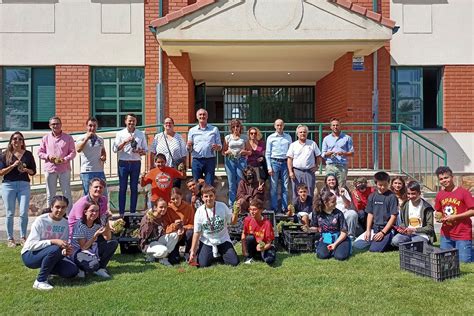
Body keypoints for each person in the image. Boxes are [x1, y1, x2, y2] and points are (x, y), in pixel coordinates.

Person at [21, 196, 78, 290]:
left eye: (63, 207)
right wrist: (52, 241)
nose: (60, 210)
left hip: (52, 253)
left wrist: (65, 251)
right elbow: (31, 245)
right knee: (54, 248)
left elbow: (62, 246)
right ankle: (40, 281)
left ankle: (48, 270)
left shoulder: (65, 223)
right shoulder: (41, 220)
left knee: (72, 271)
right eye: (57, 207)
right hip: (30, 255)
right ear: (51, 207)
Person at [189, 185, 239, 268]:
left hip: (223, 239)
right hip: (207, 241)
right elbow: (196, 233)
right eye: (206, 196)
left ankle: (219, 253)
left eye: (211, 196)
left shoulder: (222, 206)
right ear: (202, 198)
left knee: (234, 263)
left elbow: (232, 222)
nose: (209, 198)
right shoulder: (199, 211)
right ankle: (212, 253)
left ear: (215, 196)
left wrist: (236, 213)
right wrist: (192, 252)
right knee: (203, 265)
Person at [0, 131, 36, 247]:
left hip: (24, 185)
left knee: (23, 213)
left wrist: (26, 170)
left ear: (23, 141)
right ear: (11, 141)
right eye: (15, 139)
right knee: (10, 213)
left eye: (20, 139)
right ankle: (10, 239)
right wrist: (12, 166)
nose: (17, 141)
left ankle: (23, 237)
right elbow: (1, 172)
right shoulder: (5, 154)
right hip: (8, 185)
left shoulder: (28, 154)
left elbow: (33, 171)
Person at [434, 166, 474, 263]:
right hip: (446, 234)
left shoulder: (464, 193)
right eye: (441, 179)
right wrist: (438, 216)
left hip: (462, 234)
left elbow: (472, 210)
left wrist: (455, 217)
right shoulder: (440, 194)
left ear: (452, 177)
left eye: (446, 177)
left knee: (464, 262)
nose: (444, 180)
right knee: (445, 263)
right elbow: (438, 210)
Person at [37, 116, 76, 213]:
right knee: (50, 194)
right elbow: (40, 152)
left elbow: (73, 152)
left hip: (64, 169)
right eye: (53, 124)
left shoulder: (68, 137)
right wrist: (48, 157)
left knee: (67, 193)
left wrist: (65, 159)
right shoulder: (45, 138)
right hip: (50, 169)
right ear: (50, 126)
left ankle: (69, 215)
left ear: (61, 125)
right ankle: (49, 214)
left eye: (57, 123)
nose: (56, 125)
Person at [353, 171, 398, 252]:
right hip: (375, 228)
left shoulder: (392, 197)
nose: (383, 187)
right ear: (376, 184)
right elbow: (370, 214)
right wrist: (368, 230)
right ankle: (379, 241)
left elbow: (393, 216)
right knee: (356, 245)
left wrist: (383, 233)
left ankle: (390, 240)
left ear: (388, 183)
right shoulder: (372, 196)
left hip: (386, 230)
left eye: (385, 185)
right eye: (380, 185)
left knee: (374, 249)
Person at [113, 113, 147, 216]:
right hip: (123, 163)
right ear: (125, 122)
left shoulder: (140, 134)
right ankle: (121, 213)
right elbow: (115, 149)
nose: (131, 123)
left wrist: (140, 151)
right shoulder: (120, 133)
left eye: (133, 121)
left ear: (136, 122)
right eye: (129, 121)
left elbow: (145, 150)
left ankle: (132, 212)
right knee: (122, 188)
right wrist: (125, 142)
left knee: (134, 188)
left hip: (136, 163)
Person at [71, 203, 118, 278]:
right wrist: (95, 235)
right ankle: (80, 268)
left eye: (97, 211)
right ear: (85, 212)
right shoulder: (80, 225)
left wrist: (107, 221)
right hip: (78, 251)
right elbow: (83, 247)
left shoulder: (97, 223)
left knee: (113, 243)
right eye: (92, 211)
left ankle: (100, 268)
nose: (95, 213)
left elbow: (107, 238)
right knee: (93, 265)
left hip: (91, 248)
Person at [391, 181, 436, 247]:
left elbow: (430, 227)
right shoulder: (405, 205)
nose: (410, 196)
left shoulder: (427, 207)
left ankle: (414, 245)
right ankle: (412, 246)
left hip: (422, 234)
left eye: (413, 194)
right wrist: (402, 228)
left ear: (419, 193)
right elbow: (403, 222)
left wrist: (414, 229)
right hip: (407, 234)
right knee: (395, 240)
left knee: (416, 243)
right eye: (408, 194)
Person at [139, 198, 182, 266]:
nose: (163, 209)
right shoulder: (148, 218)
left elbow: (166, 230)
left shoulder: (162, 217)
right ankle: (151, 255)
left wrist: (178, 228)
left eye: (165, 207)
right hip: (148, 243)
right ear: (155, 207)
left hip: (158, 240)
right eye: (161, 207)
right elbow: (143, 236)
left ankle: (163, 258)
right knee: (164, 250)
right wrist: (149, 224)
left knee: (175, 235)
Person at [311, 190, 351, 261]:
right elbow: (315, 228)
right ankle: (329, 249)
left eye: (335, 201)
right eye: (333, 202)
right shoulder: (317, 212)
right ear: (325, 203)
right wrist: (308, 229)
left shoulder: (339, 213)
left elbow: (344, 232)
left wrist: (335, 244)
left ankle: (345, 247)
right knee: (322, 255)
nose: (335, 204)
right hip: (326, 239)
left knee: (340, 257)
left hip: (340, 239)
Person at [187, 108, 222, 185]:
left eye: (204, 114)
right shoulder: (192, 130)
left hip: (210, 160)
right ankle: (198, 197)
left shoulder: (214, 129)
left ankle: (208, 197)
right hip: (196, 160)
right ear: (197, 117)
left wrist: (217, 147)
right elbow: (189, 149)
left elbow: (220, 147)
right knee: (196, 183)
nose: (202, 116)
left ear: (207, 116)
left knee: (209, 184)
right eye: (200, 114)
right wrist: (189, 146)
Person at [150, 116, 187, 188]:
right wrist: (151, 166)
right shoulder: (158, 137)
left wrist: (183, 168)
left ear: (173, 124)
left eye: (170, 123)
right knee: (162, 189)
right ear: (163, 125)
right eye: (166, 123)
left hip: (174, 169)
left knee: (174, 191)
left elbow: (184, 154)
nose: (168, 124)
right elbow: (152, 152)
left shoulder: (179, 137)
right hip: (161, 169)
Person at [287, 124, 321, 202]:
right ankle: (296, 210)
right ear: (297, 134)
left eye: (304, 132)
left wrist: (317, 167)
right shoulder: (293, 145)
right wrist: (290, 172)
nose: (303, 133)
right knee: (296, 192)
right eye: (301, 132)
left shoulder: (312, 143)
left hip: (309, 172)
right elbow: (289, 159)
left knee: (309, 191)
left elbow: (318, 156)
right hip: (296, 172)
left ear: (307, 133)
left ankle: (309, 211)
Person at [265, 119, 292, 213]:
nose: (279, 127)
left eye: (281, 125)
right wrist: (269, 167)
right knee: (274, 187)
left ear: (283, 126)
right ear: (275, 126)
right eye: (277, 125)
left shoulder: (288, 137)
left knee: (285, 186)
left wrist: (290, 167)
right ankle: (274, 208)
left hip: (285, 163)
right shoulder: (270, 138)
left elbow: (291, 153)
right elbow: (267, 153)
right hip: (274, 163)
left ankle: (285, 209)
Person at [223, 119, 251, 207]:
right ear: (231, 128)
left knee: (240, 182)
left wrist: (244, 152)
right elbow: (223, 152)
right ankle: (231, 205)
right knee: (231, 183)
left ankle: (240, 203)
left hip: (241, 160)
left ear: (240, 127)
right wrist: (227, 152)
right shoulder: (227, 137)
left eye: (237, 126)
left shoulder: (244, 137)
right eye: (233, 127)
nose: (236, 128)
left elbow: (250, 151)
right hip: (230, 160)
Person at [75, 117, 107, 195]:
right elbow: (78, 149)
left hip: (99, 170)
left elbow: (103, 151)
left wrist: (104, 157)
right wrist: (86, 139)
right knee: (88, 195)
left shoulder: (100, 139)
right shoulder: (81, 138)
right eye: (90, 125)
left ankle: (101, 208)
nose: (92, 128)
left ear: (97, 127)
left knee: (102, 195)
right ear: (86, 126)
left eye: (94, 126)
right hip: (87, 171)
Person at [241, 199, 276, 265]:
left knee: (269, 260)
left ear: (261, 210)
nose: (252, 212)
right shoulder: (247, 219)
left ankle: (263, 255)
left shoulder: (267, 223)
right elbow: (244, 234)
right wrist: (244, 249)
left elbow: (269, 243)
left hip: (264, 246)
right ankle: (250, 257)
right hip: (254, 246)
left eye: (254, 209)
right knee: (249, 238)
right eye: (250, 209)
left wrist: (262, 248)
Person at [321, 117, 354, 188]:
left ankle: (340, 199)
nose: (335, 127)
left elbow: (352, 153)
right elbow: (323, 154)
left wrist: (343, 153)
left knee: (341, 187)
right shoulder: (326, 139)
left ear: (340, 126)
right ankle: (330, 199)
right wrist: (328, 154)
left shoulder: (347, 138)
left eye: (337, 125)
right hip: (330, 166)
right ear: (330, 127)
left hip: (342, 166)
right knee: (329, 187)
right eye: (333, 125)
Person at [167, 188, 195, 263]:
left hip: (185, 234)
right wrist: (175, 226)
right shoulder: (168, 209)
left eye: (177, 198)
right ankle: (174, 252)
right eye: (173, 199)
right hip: (174, 235)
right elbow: (166, 227)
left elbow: (193, 224)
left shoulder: (188, 207)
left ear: (181, 196)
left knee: (191, 233)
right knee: (174, 260)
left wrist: (183, 228)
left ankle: (187, 252)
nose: (175, 201)